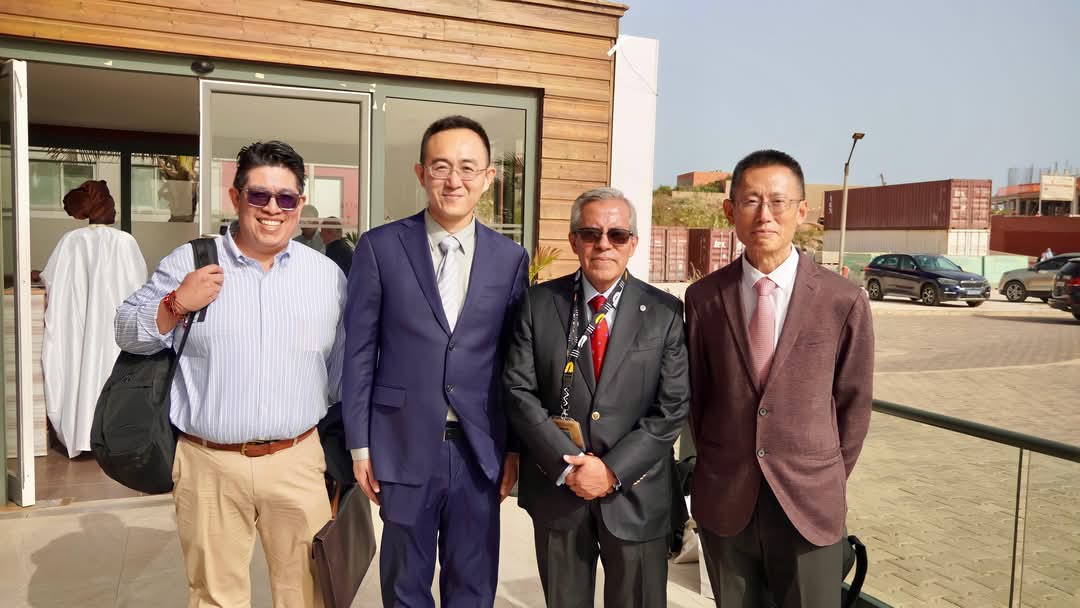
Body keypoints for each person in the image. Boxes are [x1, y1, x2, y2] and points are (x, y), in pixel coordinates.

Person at [115, 141, 345, 608]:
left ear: (300, 203)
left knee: (308, 595)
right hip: (208, 464)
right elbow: (126, 331)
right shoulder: (191, 262)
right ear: (236, 197)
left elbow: (340, 372)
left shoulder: (327, 277)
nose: (273, 208)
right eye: (259, 195)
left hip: (297, 461)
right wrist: (176, 303)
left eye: (286, 198)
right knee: (215, 598)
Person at [344, 115, 528, 607]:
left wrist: (512, 449)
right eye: (441, 166)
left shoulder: (510, 258)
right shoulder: (380, 247)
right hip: (401, 443)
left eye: (468, 168)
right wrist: (360, 446)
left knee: (473, 586)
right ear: (421, 172)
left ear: (488, 178)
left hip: (479, 450)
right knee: (405, 586)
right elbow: (359, 352)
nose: (454, 180)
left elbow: (514, 361)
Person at [685, 149, 874, 607]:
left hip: (808, 505)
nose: (764, 214)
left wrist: (822, 476)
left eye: (778, 201)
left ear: (801, 211)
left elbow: (853, 405)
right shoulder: (704, 298)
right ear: (730, 210)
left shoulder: (842, 300)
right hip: (726, 501)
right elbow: (697, 398)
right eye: (751, 201)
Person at [504, 188, 690, 607]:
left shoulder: (665, 312)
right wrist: (570, 467)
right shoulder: (537, 304)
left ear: (633, 243)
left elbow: (672, 407)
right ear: (574, 241)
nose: (604, 244)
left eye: (617, 234)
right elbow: (518, 391)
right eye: (591, 233)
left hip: (637, 494)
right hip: (559, 492)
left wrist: (611, 471)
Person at [40, 180, 146, 458]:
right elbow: (139, 286)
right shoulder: (125, 241)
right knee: (109, 372)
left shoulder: (71, 241)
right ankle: (111, 436)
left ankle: (81, 433)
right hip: (115, 327)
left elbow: (51, 280)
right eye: (112, 203)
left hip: (79, 327)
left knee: (79, 370)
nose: (115, 209)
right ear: (104, 206)